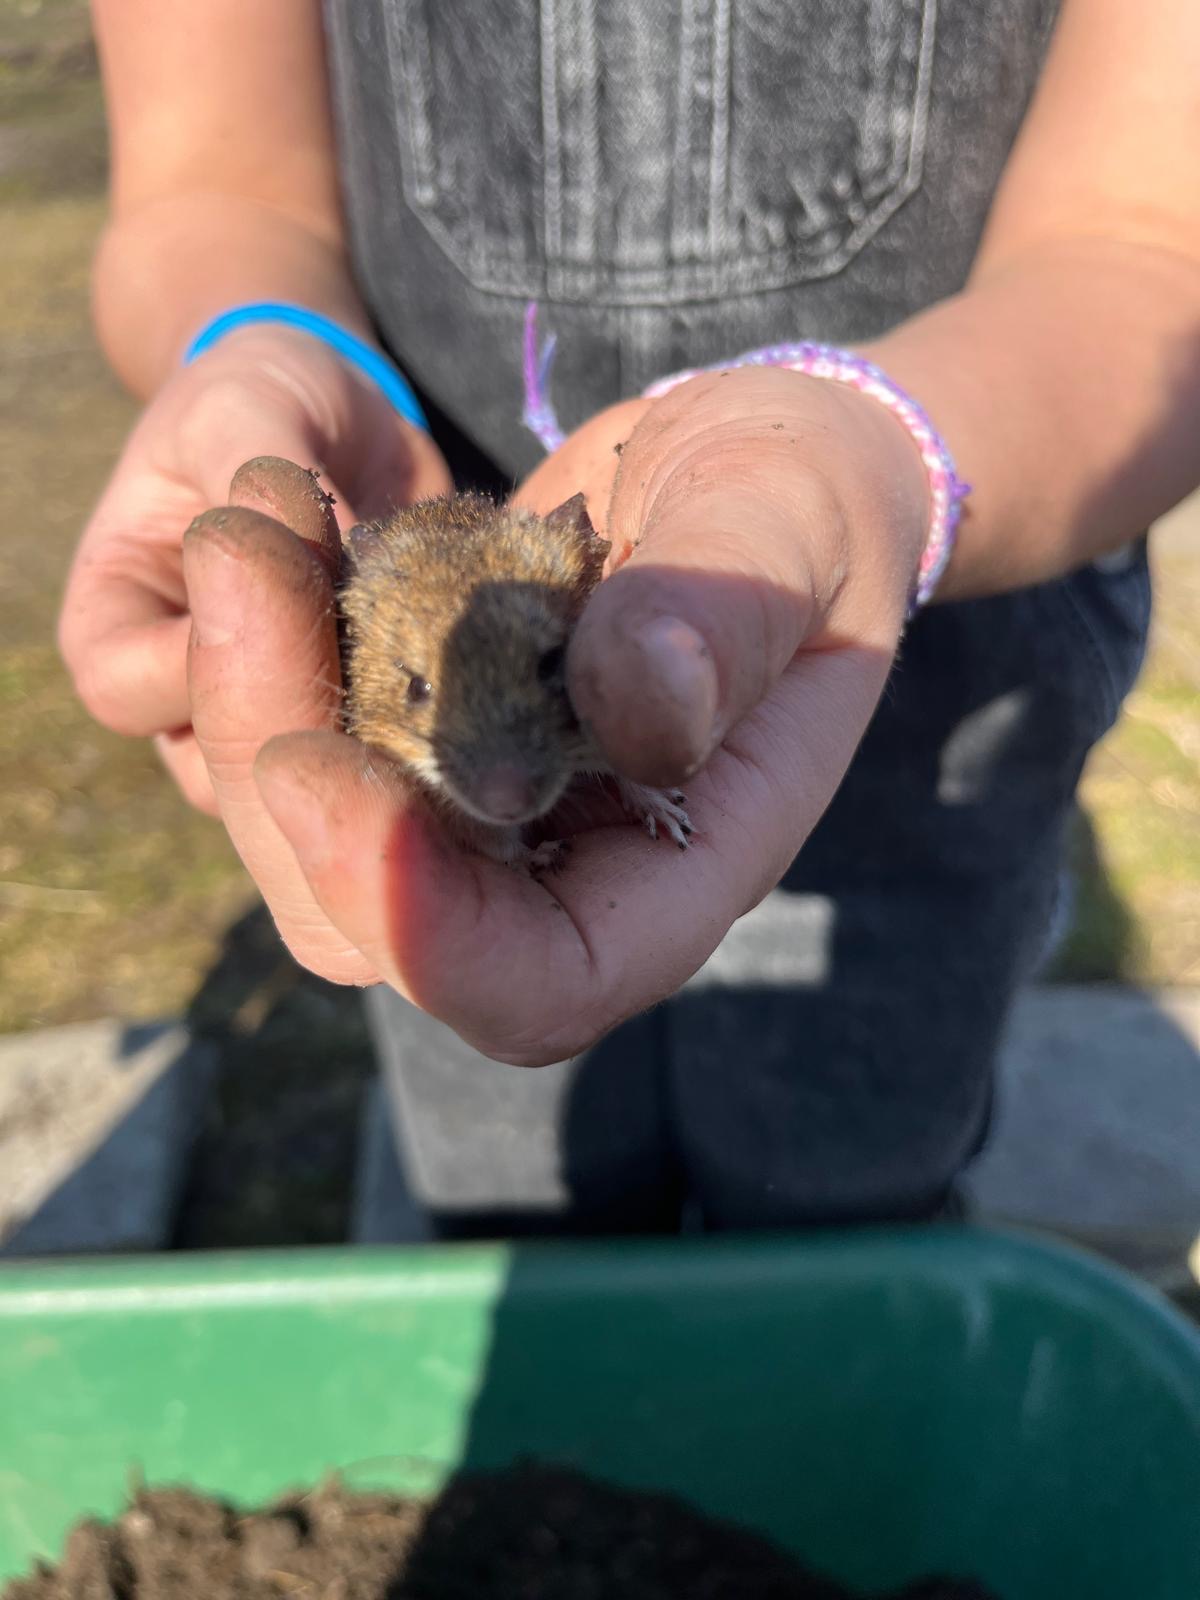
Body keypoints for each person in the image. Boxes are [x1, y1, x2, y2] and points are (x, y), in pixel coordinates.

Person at [59, 0, 1200, 1227]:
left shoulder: (581, 612)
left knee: (849, 1162)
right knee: (516, 1164)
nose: (503, 775)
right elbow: (212, 182)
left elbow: (1154, 245)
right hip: (422, 461)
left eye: (549, 688)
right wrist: (257, 343)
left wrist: (878, 452)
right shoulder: (403, 654)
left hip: (947, 687)